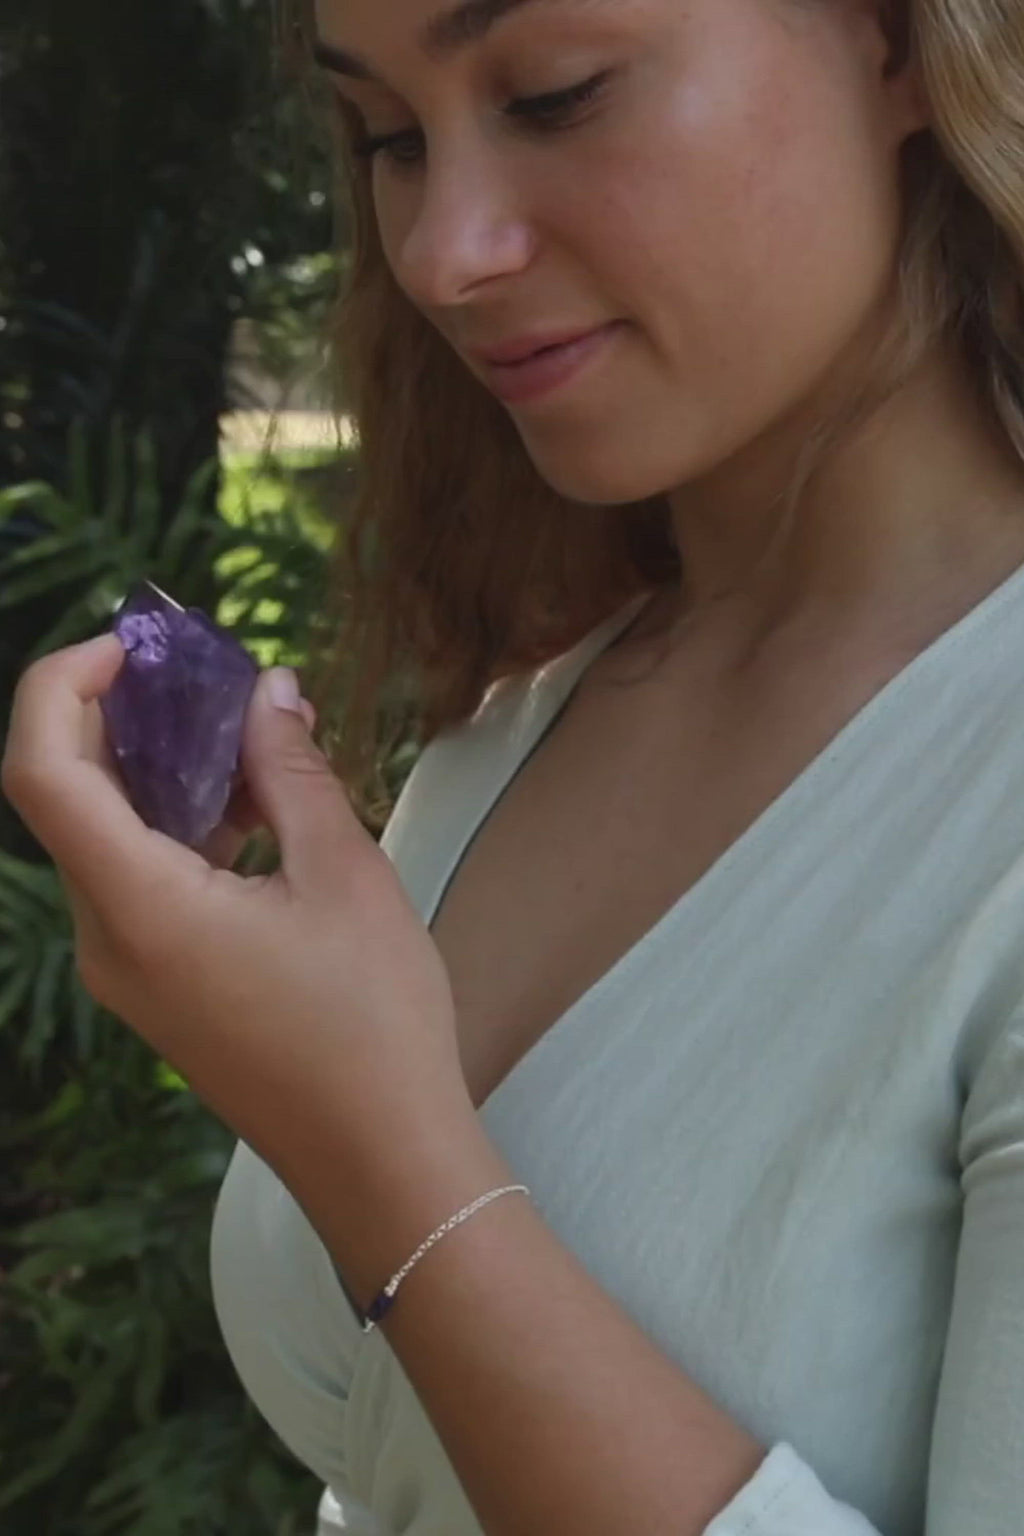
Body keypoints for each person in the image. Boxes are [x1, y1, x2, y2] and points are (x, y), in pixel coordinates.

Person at [4, 0, 1022, 1533]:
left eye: (555, 95)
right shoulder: (519, 723)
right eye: (391, 139)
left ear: (895, 43)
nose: (440, 252)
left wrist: (389, 1170)